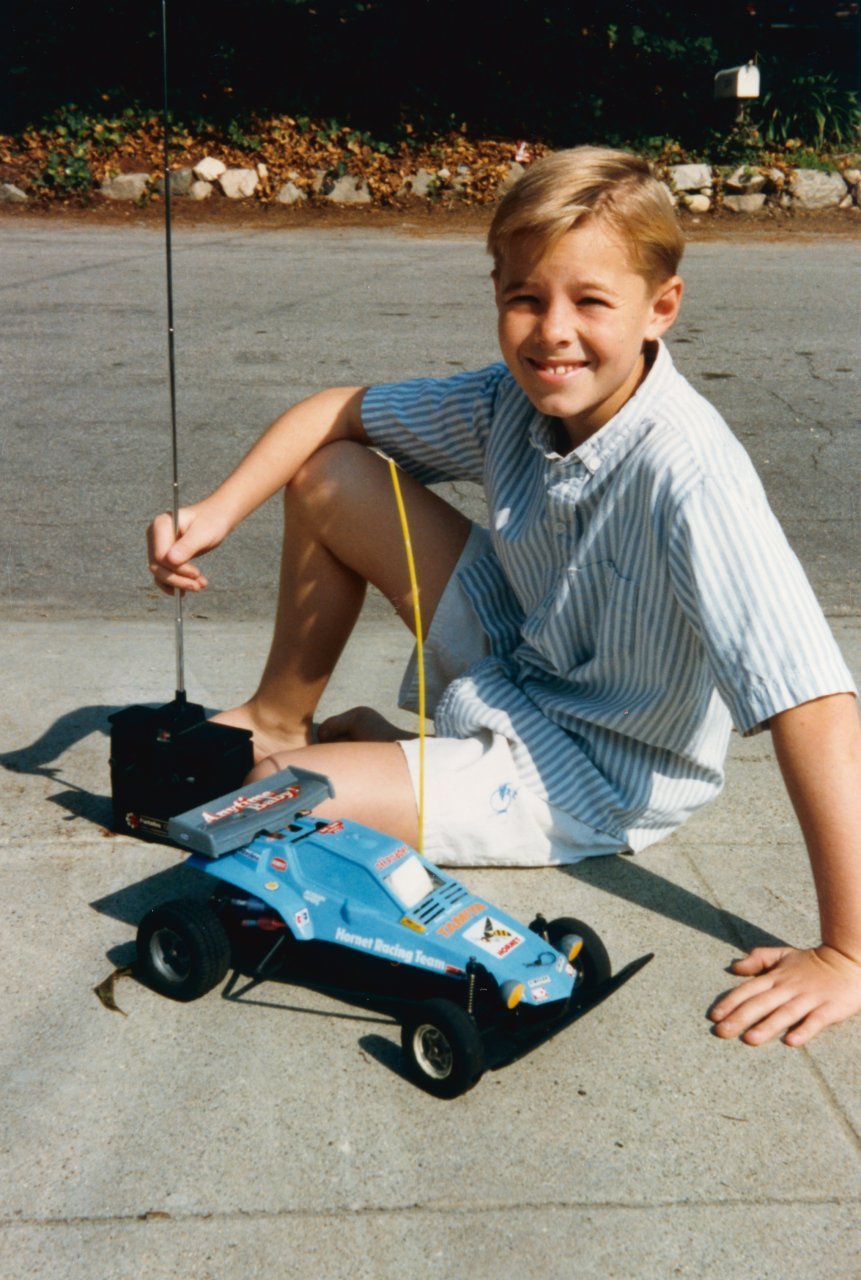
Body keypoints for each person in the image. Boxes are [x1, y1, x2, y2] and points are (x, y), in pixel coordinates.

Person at [148, 146, 861, 1048]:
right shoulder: (510, 400)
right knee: (333, 475)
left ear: (660, 308)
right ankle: (281, 712)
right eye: (525, 297)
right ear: (496, 293)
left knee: (280, 802)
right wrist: (213, 511)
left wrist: (846, 952)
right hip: (522, 660)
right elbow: (338, 411)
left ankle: (381, 761)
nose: (552, 331)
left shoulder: (690, 476)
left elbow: (812, 699)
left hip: (588, 773)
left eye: (590, 301)